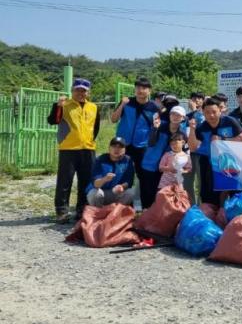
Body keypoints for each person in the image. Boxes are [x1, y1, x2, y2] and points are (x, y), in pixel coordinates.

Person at [47, 78, 101, 223]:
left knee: (86, 181)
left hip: (88, 149)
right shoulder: (64, 105)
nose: (80, 93)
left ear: (88, 92)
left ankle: (82, 210)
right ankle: (62, 211)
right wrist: (58, 106)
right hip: (68, 149)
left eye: (83, 90)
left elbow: (95, 128)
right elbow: (52, 120)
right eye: (77, 89)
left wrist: (89, 140)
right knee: (65, 181)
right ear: (72, 90)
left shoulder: (94, 107)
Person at [110, 76, 160, 204]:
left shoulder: (154, 107)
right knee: (119, 173)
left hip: (142, 146)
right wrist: (122, 104)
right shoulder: (127, 103)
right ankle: (117, 204)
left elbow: (157, 127)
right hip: (123, 144)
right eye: (138, 87)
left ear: (149, 90)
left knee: (144, 176)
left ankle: (145, 206)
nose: (140, 90)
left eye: (144, 88)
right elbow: (114, 119)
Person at [188, 96, 242, 205]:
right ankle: (213, 217)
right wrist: (192, 130)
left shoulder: (230, 121)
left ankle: (235, 218)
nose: (211, 115)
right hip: (208, 165)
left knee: (236, 195)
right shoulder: (201, 127)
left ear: (220, 110)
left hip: (231, 164)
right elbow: (193, 147)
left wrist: (222, 140)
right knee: (210, 197)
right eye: (207, 112)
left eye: (214, 112)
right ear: (203, 113)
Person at [140, 105, 187, 208]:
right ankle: (146, 214)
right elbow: (151, 143)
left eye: (178, 115)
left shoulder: (182, 134)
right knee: (148, 191)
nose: (175, 117)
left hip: (167, 168)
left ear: (183, 118)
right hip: (150, 164)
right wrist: (155, 129)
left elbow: (184, 152)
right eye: (173, 114)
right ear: (169, 115)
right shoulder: (160, 126)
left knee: (163, 192)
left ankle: (161, 217)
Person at [86, 136, 136, 207]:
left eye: (120, 147)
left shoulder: (128, 161)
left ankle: (117, 212)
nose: (116, 149)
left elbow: (129, 181)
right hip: (102, 193)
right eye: (114, 146)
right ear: (109, 148)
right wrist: (104, 179)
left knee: (131, 192)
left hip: (116, 193)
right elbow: (95, 184)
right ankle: (98, 212)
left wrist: (121, 187)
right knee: (93, 193)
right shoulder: (100, 160)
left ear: (124, 150)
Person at [184, 92, 206, 203]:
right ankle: (190, 205)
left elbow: (201, 125)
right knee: (187, 181)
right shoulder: (186, 116)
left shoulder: (205, 115)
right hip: (188, 153)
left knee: (201, 181)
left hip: (201, 152)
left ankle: (201, 205)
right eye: (193, 99)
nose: (196, 101)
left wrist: (195, 111)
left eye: (199, 98)